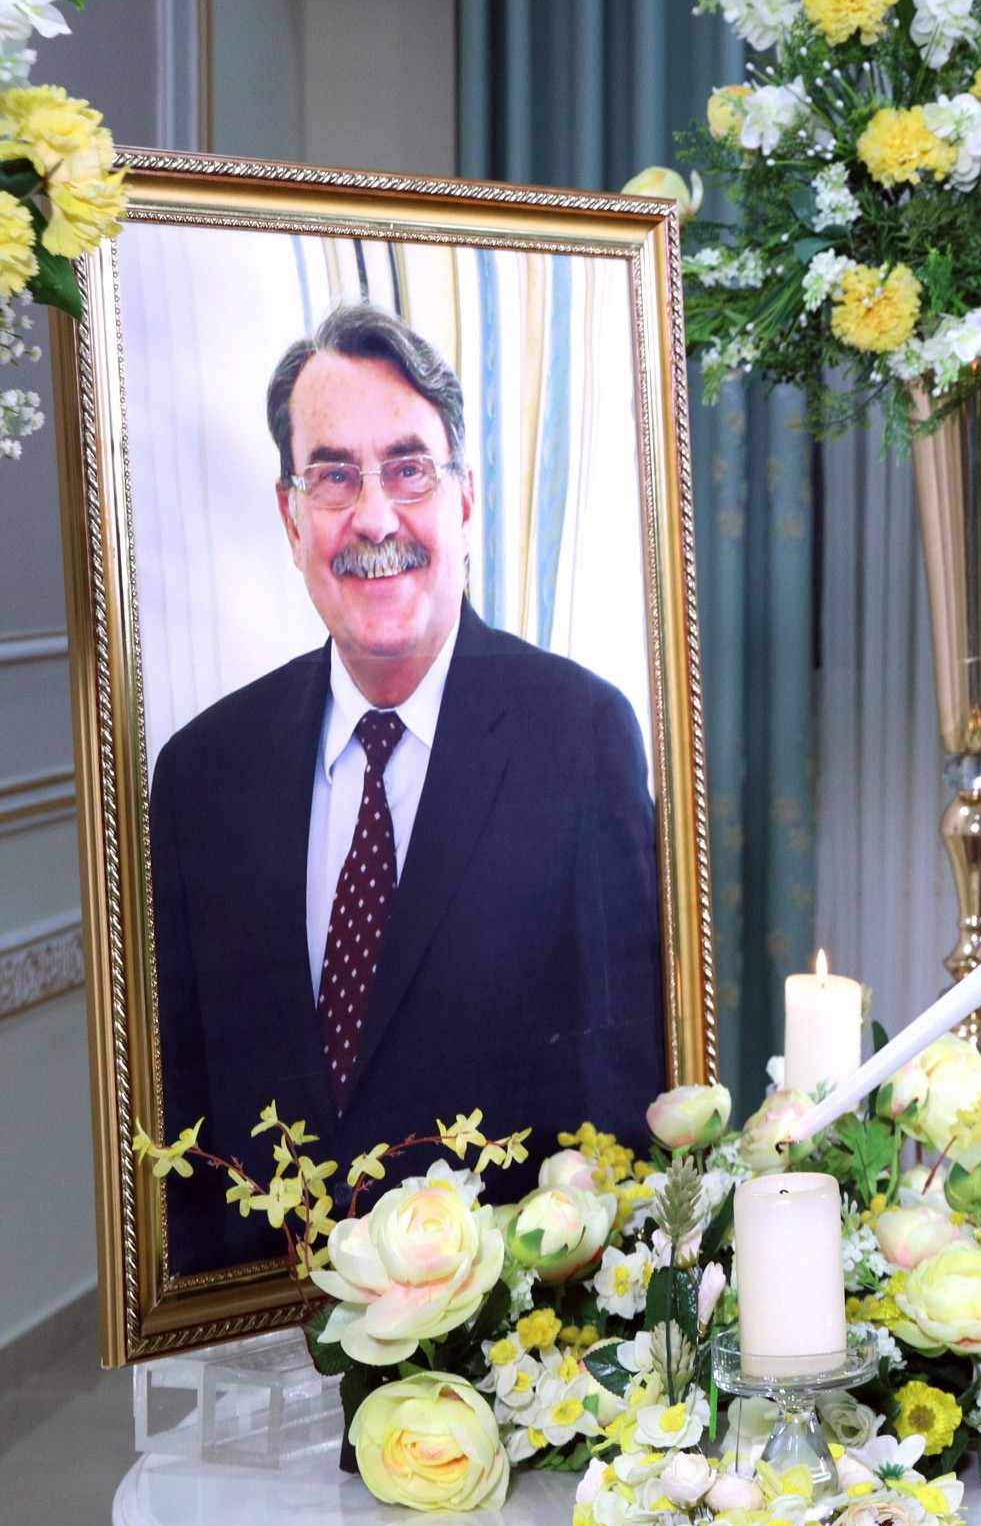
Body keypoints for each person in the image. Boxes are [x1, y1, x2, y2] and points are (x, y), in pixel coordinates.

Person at [151, 301, 665, 1276]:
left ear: (464, 499)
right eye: (334, 475)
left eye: (408, 468)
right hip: (262, 1335)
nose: (375, 516)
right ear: (289, 513)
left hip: (504, 1354)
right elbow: (182, 1110)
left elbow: (621, 1096)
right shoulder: (200, 774)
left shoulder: (578, 738)